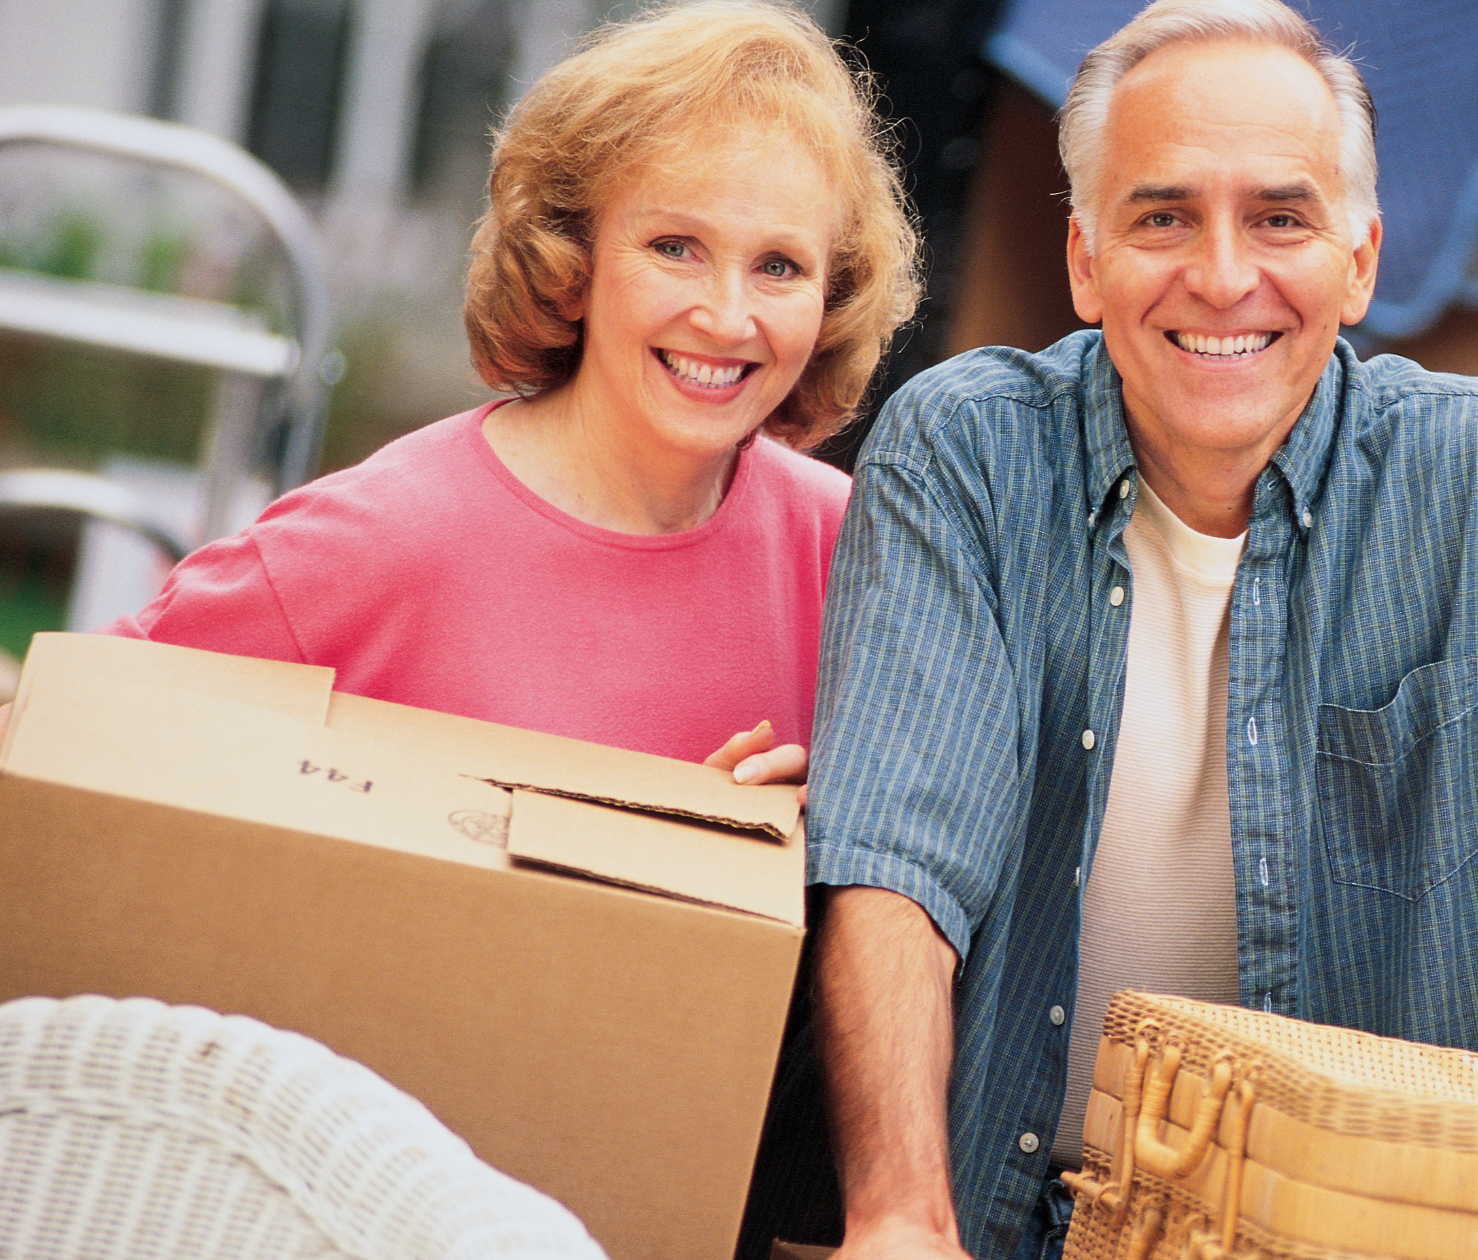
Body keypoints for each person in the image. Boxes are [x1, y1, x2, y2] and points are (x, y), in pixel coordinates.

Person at [799, 2, 1478, 1258]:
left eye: (1279, 218)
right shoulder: (967, 451)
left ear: (1361, 258)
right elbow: (897, 874)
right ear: (1084, 260)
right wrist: (899, 1219)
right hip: (1001, 1227)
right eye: (1163, 216)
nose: (1223, 276)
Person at [0, 2, 918, 775]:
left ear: (831, 299)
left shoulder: (863, 551)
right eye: (674, 247)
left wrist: (836, 836)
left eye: (779, 267)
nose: (726, 315)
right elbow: (58, 732)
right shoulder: (384, 536)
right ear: (574, 261)